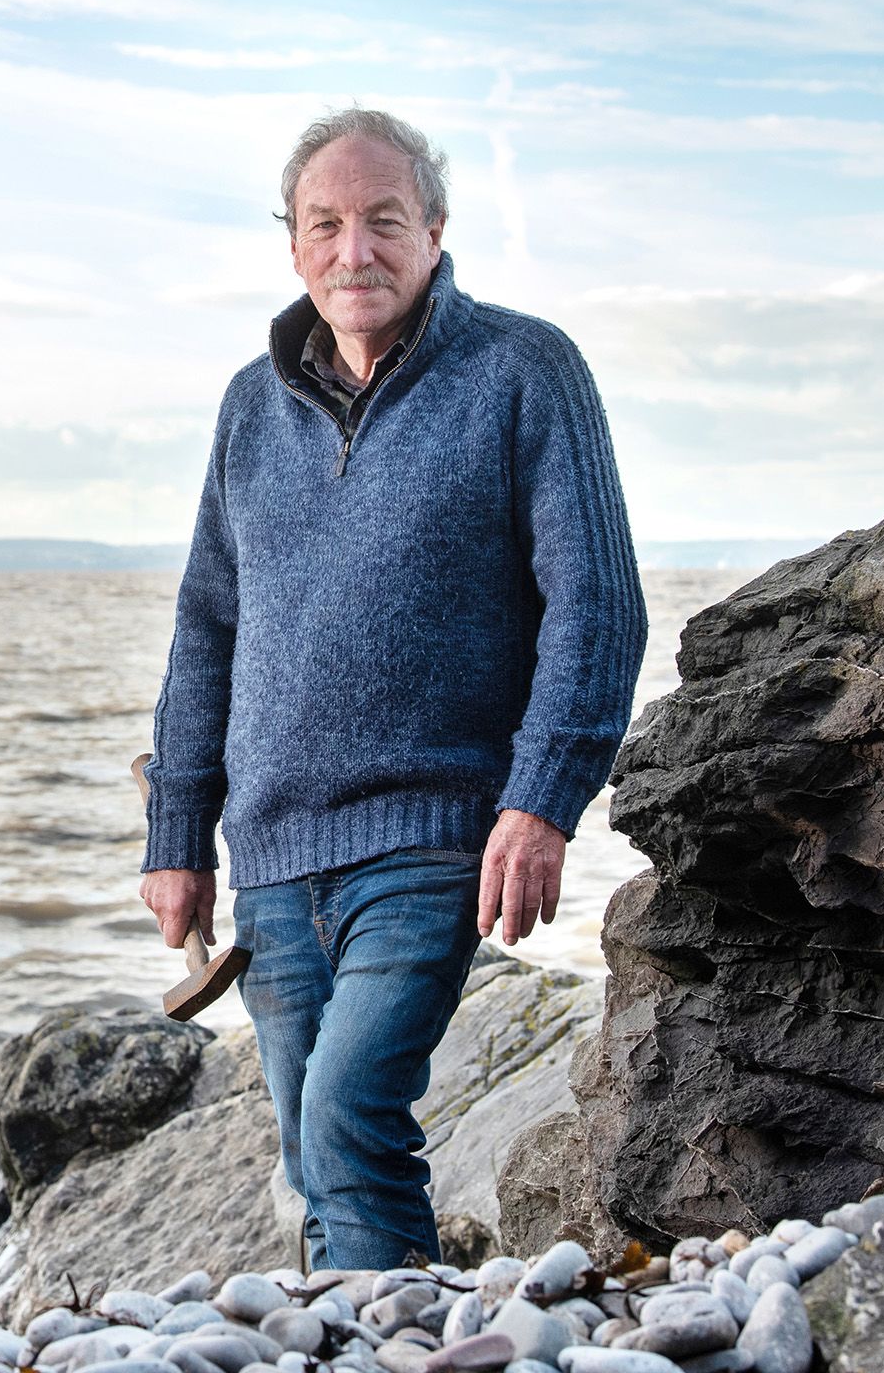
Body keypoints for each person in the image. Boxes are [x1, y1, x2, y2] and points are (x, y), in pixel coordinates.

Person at [137, 107, 645, 1271]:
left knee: (348, 1120)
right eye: (325, 225)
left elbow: (599, 605)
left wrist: (541, 803)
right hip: (270, 860)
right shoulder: (246, 407)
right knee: (311, 1162)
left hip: (431, 841)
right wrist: (176, 835)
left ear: (434, 229)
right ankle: (390, 1335)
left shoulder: (523, 370)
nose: (352, 251)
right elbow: (205, 629)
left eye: (381, 221)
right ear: (293, 243)